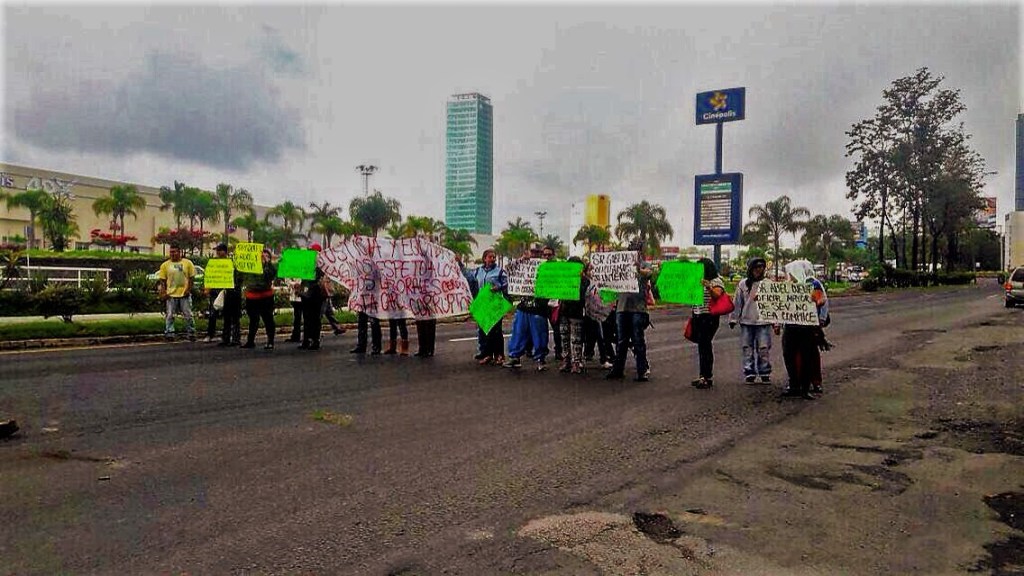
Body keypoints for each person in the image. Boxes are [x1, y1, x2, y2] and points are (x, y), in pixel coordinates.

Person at [781, 259, 830, 400]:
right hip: (790, 326)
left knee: (807, 357)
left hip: (807, 327)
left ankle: (805, 387)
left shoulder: (813, 284)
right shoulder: (787, 286)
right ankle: (794, 384)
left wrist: (812, 300)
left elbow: (822, 300)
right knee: (789, 356)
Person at [606, 242, 653, 382]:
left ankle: (642, 371)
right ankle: (618, 370)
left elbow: (648, 274)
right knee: (621, 341)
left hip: (638, 309)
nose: (633, 252)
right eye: (631, 250)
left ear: (640, 252)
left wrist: (638, 268)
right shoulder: (621, 266)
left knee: (638, 340)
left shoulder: (645, 265)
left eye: (636, 250)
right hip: (622, 308)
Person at [503, 244, 552, 371]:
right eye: (532, 251)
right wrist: (521, 259)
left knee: (540, 335)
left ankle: (541, 360)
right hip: (523, 306)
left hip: (539, 308)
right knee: (518, 333)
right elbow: (507, 269)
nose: (534, 254)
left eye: (537, 252)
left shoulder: (546, 266)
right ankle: (515, 358)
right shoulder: (522, 264)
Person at [729, 257, 774, 384]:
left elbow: (775, 305)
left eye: (761, 267)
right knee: (747, 348)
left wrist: (776, 322)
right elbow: (737, 302)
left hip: (763, 322)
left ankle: (764, 371)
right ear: (751, 269)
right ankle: (749, 372)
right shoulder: (743, 284)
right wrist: (733, 318)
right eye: (756, 267)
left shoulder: (768, 284)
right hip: (746, 321)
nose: (759, 270)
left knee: (763, 348)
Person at [690, 258, 726, 389]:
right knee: (702, 346)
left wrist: (708, 287)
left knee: (705, 346)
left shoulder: (716, 281)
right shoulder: (697, 280)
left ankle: (706, 376)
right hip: (698, 315)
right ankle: (703, 375)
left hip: (709, 316)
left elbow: (717, 295)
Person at [471, 248, 508, 365]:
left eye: (493, 257)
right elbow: (471, 281)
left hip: (495, 303)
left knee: (496, 331)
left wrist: (499, 287)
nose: (492, 259)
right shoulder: (478, 271)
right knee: (484, 330)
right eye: (490, 257)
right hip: (483, 304)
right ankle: (487, 354)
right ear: (484, 258)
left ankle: (499, 355)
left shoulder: (500, 271)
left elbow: (508, 283)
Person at [158, 246, 197, 341]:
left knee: (188, 314)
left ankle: (191, 332)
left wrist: (188, 289)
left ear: (179, 252)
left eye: (174, 252)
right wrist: (163, 292)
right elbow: (162, 280)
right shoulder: (165, 265)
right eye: (171, 252)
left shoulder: (187, 263)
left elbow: (192, 278)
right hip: (171, 294)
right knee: (170, 315)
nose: (172, 254)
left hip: (184, 294)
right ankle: (169, 333)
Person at [241, 249, 277, 350]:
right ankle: (250, 341)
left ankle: (270, 341)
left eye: (266, 256)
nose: (263, 257)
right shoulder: (251, 267)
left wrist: (267, 263)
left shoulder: (269, 267)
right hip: (252, 296)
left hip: (266, 296)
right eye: (262, 256)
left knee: (268, 319)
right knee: (253, 319)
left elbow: (271, 275)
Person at [557, 256, 588, 374]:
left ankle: (576, 362)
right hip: (564, 312)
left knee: (576, 339)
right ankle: (566, 361)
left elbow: (584, 295)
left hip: (577, 313)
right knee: (564, 337)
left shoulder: (584, 280)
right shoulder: (565, 279)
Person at [299, 243, 329, 351]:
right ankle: (306, 340)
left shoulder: (321, 265)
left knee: (315, 318)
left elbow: (320, 278)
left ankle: (315, 340)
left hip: (316, 294)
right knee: (306, 318)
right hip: (306, 294)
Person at [202, 243, 232, 343]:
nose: (218, 253)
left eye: (220, 250)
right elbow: (208, 275)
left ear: (225, 252)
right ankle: (210, 334)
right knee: (212, 313)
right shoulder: (213, 262)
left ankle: (226, 335)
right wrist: (207, 288)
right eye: (217, 250)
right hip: (215, 291)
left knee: (227, 315)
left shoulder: (230, 262)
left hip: (227, 291)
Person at [217, 251, 243, 347]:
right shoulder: (220, 265)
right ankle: (226, 338)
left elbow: (240, 279)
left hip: (235, 293)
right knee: (227, 317)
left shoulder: (238, 268)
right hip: (227, 293)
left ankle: (236, 339)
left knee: (235, 317)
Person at [285, 276, 304, 343]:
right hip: (294, 296)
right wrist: (293, 284)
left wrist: (298, 284)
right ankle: (296, 335)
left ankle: (299, 336)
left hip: (302, 295)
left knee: (299, 316)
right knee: (297, 317)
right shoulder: (290, 270)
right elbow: (287, 279)